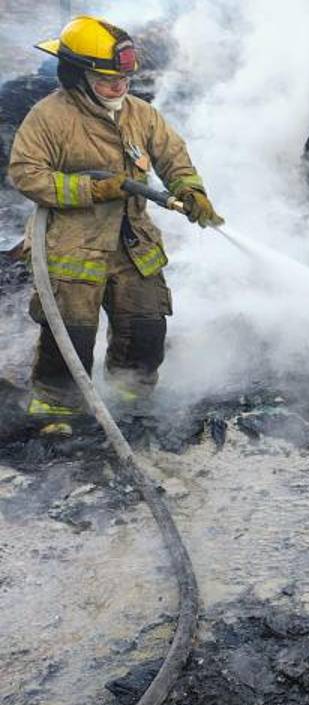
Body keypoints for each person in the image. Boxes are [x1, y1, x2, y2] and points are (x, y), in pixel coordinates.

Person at [8, 15, 223, 435]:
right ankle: (57, 412)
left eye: (122, 79)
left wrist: (190, 189)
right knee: (70, 334)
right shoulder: (49, 118)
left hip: (132, 241)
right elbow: (26, 174)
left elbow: (172, 156)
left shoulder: (140, 114)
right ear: (78, 75)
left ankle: (130, 402)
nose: (118, 88)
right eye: (107, 79)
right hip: (74, 244)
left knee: (146, 325)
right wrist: (92, 190)